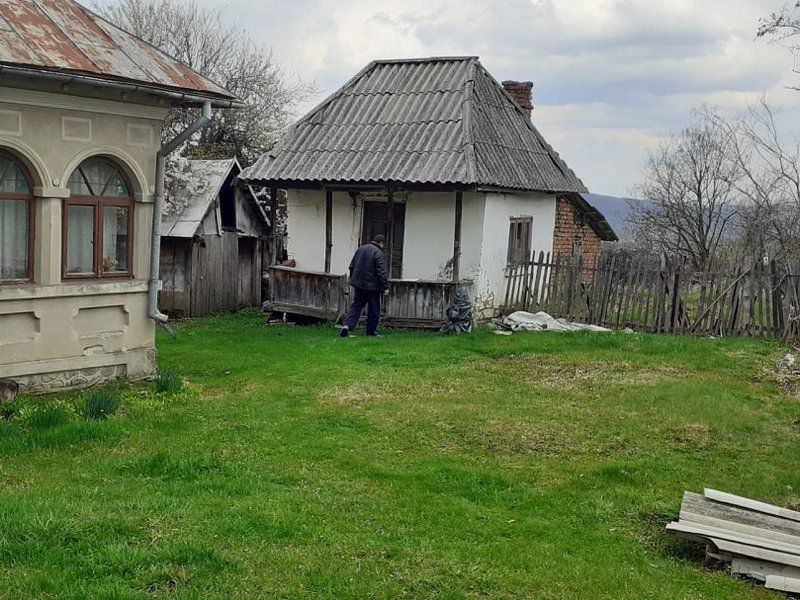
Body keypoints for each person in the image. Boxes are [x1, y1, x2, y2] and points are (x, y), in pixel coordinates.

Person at [340, 234, 390, 337]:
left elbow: (352, 266)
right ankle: (371, 332)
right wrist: (385, 286)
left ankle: (347, 326)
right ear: (381, 243)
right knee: (374, 309)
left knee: (356, 306)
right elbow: (382, 272)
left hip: (359, 285)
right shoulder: (378, 253)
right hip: (373, 287)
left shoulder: (361, 249)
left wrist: (354, 279)